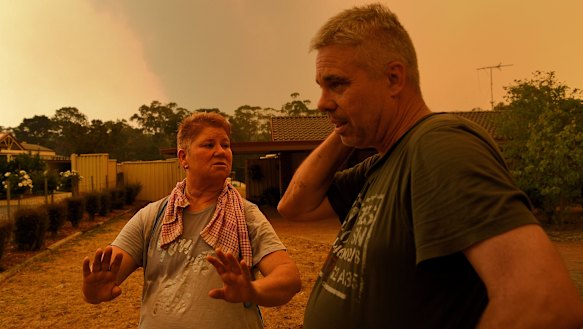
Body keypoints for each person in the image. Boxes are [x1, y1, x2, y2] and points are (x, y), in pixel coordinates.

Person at [277, 3, 583, 328]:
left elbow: (543, 303)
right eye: (321, 87)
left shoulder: (439, 145)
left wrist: (349, 115)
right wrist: (344, 123)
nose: (321, 102)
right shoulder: (384, 163)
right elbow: (294, 205)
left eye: (337, 84)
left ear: (394, 79)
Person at [82, 112, 301, 328]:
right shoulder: (152, 217)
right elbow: (108, 277)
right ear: (183, 157)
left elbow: (289, 278)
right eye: (208, 145)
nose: (220, 152)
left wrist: (253, 290)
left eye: (225, 145)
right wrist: (93, 292)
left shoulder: (246, 215)